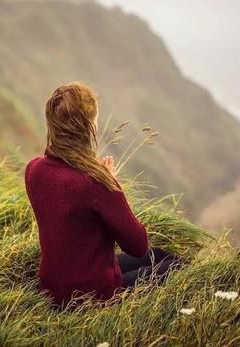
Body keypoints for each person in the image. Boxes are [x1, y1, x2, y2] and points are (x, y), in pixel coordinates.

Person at [24, 81, 182, 310]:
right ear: (88, 128)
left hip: (51, 287)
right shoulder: (93, 183)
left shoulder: (34, 170)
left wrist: (99, 180)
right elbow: (137, 245)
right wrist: (111, 184)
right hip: (93, 296)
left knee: (158, 255)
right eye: (95, 119)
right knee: (174, 266)